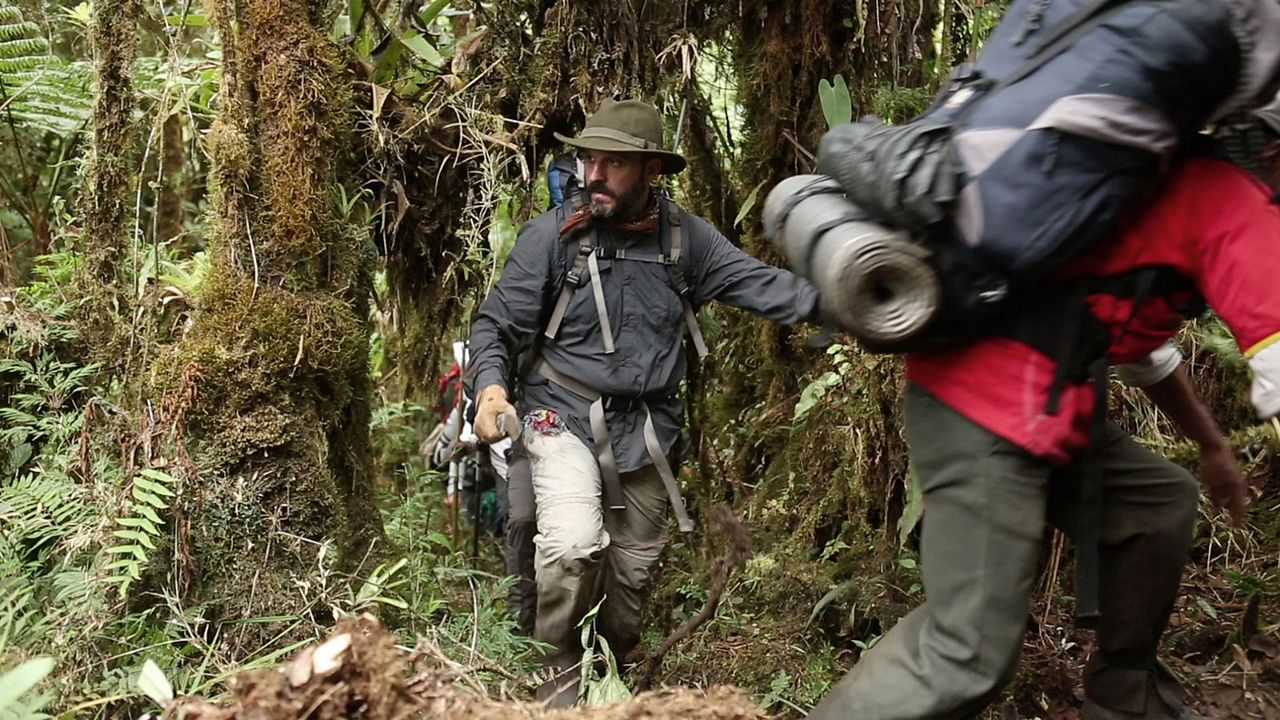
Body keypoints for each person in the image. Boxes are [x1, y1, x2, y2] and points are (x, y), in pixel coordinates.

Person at [808, 105, 1280, 719]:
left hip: (1049, 403)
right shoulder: (1231, 197)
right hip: (983, 406)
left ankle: (1123, 697)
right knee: (965, 653)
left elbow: (1142, 345)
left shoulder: (1171, 185)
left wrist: (1212, 445)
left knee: (1158, 503)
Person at [467, 99, 820, 705]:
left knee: (629, 581)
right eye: (589, 160)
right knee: (573, 545)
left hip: (648, 430)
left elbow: (761, 285)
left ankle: (611, 675)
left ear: (651, 170)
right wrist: (492, 389)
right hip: (559, 414)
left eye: (614, 163)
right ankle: (556, 674)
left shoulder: (686, 240)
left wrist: (852, 299)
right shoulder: (553, 237)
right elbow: (496, 324)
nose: (595, 174)